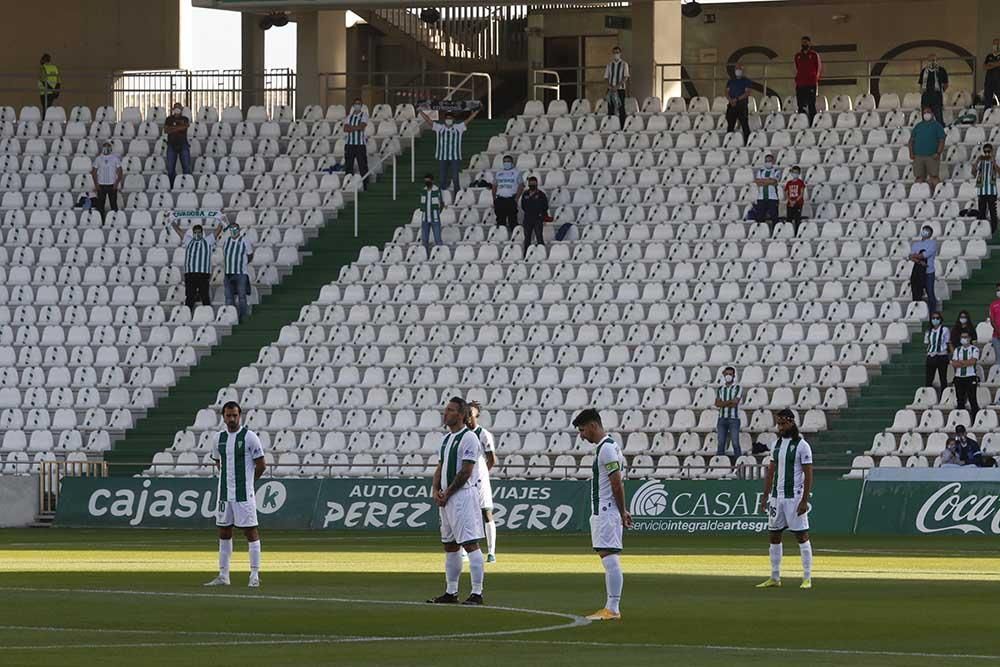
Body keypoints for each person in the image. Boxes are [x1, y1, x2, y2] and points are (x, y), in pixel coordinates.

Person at [426, 396, 485, 606]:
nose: (446, 413)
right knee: (450, 546)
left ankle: (477, 593)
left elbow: (466, 471)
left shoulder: (469, 438)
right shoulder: (445, 439)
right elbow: (440, 467)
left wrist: (448, 492)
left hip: (462, 497)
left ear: (460, 415)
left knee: (470, 544)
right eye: (446, 410)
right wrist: (435, 490)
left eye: (450, 410)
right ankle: (451, 592)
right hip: (447, 498)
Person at [573, 408, 631, 621]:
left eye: (582, 430)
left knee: (610, 559)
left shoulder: (606, 449)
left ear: (593, 426)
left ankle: (612, 608)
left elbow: (617, 483)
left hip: (606, 511)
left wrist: (622, 510)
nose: (582, 435)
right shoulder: (611, 446)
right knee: (609, 558)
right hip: (607, 510)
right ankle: (611, 606)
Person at [204, 401, 266, 588]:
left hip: (243, 494)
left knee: (250, 531)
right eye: (228, 415)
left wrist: (248, 483)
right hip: (224, 494)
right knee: (224, 531)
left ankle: (254, 574)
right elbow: (218, 462)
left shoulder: (250, 437)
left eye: (235, 415)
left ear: (240, 416)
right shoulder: (218, 438)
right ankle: (224, 575)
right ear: (223, 417)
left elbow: (261, 465)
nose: (232, 419)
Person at [757, 409, 814, 590]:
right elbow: (771, 472)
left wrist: (804, 500)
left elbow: (809, 475)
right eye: (778, 424)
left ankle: (807, 577)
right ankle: (775, 577)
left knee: (801, 536)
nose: (779, 427)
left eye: (782, 423)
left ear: (791, 423)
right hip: (776, 498)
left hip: (794, 498)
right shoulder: (776, 444)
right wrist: (765, 496)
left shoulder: (802, 445)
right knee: (774, 535)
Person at [420, 107, 479, 194]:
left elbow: (468, 120)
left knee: (455, 178)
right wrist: (420, 112)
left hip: (455, 157)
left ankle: (457, 196)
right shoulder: (440, 128)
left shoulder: (458, 128)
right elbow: (429, 121)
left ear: (453, 119)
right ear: (444, 120)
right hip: (442, 157)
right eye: (447, 118)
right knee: (442, 179)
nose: (449, 120)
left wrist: (476, 112)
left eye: (450, 118)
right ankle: (442, 198)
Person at [467, 401, 498, 563]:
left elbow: (492, 459)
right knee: (468, 515)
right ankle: (467, 550)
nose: (468, 417)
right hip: (465, 481)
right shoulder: (463, 435)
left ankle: (491, 552)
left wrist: (482, 473)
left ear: (476, 415)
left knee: (486, 513)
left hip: (480, 480)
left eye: (471, 414)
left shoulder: (483, 434)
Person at [173, 216, 224, 312]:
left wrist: (221, 220)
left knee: (205, 296)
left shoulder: (208, 240)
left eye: (199, 232)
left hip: (203, 274)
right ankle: (186, 316)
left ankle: (208, 315)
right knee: (189, 297)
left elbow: (218, 230)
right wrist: (172, 222)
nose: (197, 234)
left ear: (202, 232)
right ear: (193, 233)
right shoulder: (188, 240)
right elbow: (178, 231)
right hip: (190, 274)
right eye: (195, 232)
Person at [222, 223, 254, 323]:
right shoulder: (226, 241)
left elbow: (250, 255)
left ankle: (243, 316)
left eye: (235, 229)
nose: (233, 232)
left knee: (242, 296)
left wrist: (242, 263)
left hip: (240, 273)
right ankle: (232, 317)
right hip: (228, 274)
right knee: (228, 298)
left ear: (239, 230)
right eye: (231, 230)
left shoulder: (245, 241)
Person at [909, 107, 946, 190]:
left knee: (934, 177)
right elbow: (911, 140)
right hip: (918, 156)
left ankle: (938, 194)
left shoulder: (937, 126)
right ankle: (919, 194)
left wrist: (938, 152)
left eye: (928, 112)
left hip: (932, 156)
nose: (926, 114)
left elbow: (942, 140)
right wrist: (911, 152)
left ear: (932, 114)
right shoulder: (918, 126)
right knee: (919, 177)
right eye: (924, 112)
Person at [909, 225, 939, 316]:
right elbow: (910, 256)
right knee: (917, 292)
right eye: (924, 230)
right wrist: (920, 262)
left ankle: (933, 313)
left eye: (927, 231)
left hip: (929, 272)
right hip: (918, 272)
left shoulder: (932, 243)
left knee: (930, 293)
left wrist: (916, 256)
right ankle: (920, 313)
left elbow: (924, 255)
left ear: (930, 233)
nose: (924, 232)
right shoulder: (916, 244)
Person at [91, 141, 123, 222]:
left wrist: (116, 183)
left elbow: (120, 171)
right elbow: (94, 172)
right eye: (105, 147)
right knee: (100, 205)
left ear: (110, 149)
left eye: (108, 147)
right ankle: (101, 221)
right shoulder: (98, 159)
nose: (106, 149)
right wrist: (96, 184)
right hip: (101, 185)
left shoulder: (115, 158)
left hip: (112, 185)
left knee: (113, 205)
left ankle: (115, 221)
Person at [951, 331, 980, 418]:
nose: (964, 339)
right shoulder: (957, 350)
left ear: (969, 338)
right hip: (959, 377)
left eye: (966, 337)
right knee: (960, 400)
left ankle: (974, 419)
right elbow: (954, 364)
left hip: (970, 377)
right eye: (962, 337)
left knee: (972, 399)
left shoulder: (974, 349)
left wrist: (960, 362)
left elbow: (973, 362)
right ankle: (962, 420)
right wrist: (966, 362)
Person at [794, 36, 822, 124]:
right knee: (800, 105)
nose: (804, 44)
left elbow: (818, 68)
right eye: (802, 42)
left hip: (811, 83)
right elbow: (797, 67)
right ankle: (802, 123)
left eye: (806, 42)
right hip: (800, 84)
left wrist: (814, 79)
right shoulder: (797, 56)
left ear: (809, 43)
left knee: (811, 104)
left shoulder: (814, 55)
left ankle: (812, 123)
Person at [715, 366, 742, 457]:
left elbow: (735, 403)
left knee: (735, 443)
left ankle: (739, 465)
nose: (728, 376)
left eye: (730, 374)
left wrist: (723, 403)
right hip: (721, 419)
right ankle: (719, 466)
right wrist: (730, 401)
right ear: (724, 375)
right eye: (726, 374)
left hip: (734, 419)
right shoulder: (720, 389)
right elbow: (717, 404)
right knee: (720, 443)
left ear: (734, 375)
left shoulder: (738, 387)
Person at [343, 98, 370, 191]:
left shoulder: (364, 115)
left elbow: (362, 127)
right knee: (348, 166)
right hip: (349, 144)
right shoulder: (348, 117)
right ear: (353, 105)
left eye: (359, 104)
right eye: (355, 104)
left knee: (362, 165)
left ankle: (365, 185)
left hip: (360, 145)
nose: (357, 105)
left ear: (361, 105)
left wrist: (352, 128)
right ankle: (348, 185)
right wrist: (356, 128)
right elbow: (345, 128)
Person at [492, 154, 523, 232]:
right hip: (500, 199)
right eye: (505, 161)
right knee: (500, 220)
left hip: (511, 199)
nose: (506, 163)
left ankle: (514, 237)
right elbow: (494, 186)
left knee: (512, 220)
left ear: (512, 162)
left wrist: (516, 199)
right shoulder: (498, 173)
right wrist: (494, 199)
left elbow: (521, 186)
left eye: (508, 161)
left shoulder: (517, 173)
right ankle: (501, 236)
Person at [164, 102, 192, 188]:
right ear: (173, 109)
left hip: (183, 144)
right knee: (170, 168)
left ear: (182, 110)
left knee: (186, 166)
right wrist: (179, 128)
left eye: (179, 108)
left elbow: (186, 126)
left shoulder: (185, 119)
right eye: (175, 107)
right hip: (171, 145)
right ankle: (172, 185)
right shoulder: (169, 119)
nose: (177, 109)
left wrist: (172, 128)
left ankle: (187, 185)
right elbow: (166, 130)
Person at [924, 311, 951, 396]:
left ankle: (944, 396)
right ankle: (929, 397)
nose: (935, 320)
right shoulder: (928, 331)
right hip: (931, 356)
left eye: (937, 318)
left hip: (942, 356)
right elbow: (927, 343)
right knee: (929, 379)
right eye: (933, 318)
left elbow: (947, 342)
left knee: (943, 378)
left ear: (940, 319)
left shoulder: (945, 330)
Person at [973, 143, 998, 234]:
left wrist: (994, 163)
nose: (987, 153)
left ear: (992, 151)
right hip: (982, 190)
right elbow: (973, 173)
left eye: (988, 151)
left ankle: (994, 230)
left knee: (992, 212)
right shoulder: (981, 161)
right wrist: (976, 161)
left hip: (991, 190)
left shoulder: (995, 161)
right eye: (985, 151)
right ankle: (983, 230)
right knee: (981, 211)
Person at [520, 175, 548, 253]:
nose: (532, 185)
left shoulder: (541, 194)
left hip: (537, 219)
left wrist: (543, 216)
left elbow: (545, 206)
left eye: (533, 183)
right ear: (528, 184)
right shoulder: (525, 194)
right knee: (527, 239)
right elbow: (523, 206)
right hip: (527, 219)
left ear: (536, 184)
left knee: (539, 237)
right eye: (531, 183)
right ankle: (526, 255)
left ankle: (542, 253)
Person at [753, 154, 781, 232]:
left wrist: (763, 181)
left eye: (769, 160)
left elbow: (774, 181)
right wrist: (768, 180)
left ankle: (775, 232)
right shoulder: (761, 171)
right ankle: (761, 232)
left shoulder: (776, 171)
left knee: (774, 217)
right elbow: (757, 182)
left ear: (773, 161)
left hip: (773, 198)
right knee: (760, 217)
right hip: (761, 198)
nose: (768, 162)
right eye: (766, 161)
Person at [725, 63, 752, 144]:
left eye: (739, 69)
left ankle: (747, 141)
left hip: (741, 105)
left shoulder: (746, 80)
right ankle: (729, 141)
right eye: (736, 69)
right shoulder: (731, 81)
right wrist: (730, 100)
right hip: (732, 105)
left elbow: (747, 93)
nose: (738, 70)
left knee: (744, 124)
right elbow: (726, 92)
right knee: (730, 124)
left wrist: (736, 99)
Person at [604, 46, 630, 129]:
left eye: (617, 52)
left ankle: (622, 127)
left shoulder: (624, 64)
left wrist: (617, 86)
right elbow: (606, 77)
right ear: (612, 54)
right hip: (610, 89)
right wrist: (610, 86)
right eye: (614, 52)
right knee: (610, 108)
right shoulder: (609, 65)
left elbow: (625, 77)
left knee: (621, 108)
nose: (616, 54)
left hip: (620, 89)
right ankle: (611, 126)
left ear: (620, 53)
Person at [918, 54, 949, 126]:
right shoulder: (924, 71)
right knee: (926, 120)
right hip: (926, 100)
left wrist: (940, 91)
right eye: (930, 60)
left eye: (933, 60)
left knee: (939, 120)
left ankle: (940, 136)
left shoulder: (941, 70)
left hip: (937, 100)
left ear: (936, 61)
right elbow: (921, 84)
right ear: (927, 61)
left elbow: (946, 84)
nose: (932, 62)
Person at [419, 173, 444, 253]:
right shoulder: (423, 190)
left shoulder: (437, 190)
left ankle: (440, 254)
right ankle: (425, 255)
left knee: (438, 239)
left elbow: (441, 203)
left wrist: (437, 213)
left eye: (428, 181)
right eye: (425, 181)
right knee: (424, 240)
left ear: (432, 181)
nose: (427, 182)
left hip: (435, 218)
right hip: (425, 219)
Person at [783, 165, 806, 234]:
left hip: (798, 203)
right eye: (793, 172)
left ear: (799, 173)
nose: (795, 174)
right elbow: (786, 193)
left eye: (796, 172)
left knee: (797, 219)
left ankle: (797, 233)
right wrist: (790, 201)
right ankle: (789, 232)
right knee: (789, 219)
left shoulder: (800, 182)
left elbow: (801, 194)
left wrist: (795, 201)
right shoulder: (789, 183)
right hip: (790, 204)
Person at [985, 38, 1000, 109]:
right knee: (987, 101)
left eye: (997, 44)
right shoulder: (989, 56)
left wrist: (991, 64)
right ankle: (986, 116)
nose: (996, 46)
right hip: (989, 82)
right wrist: (996, 64)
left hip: (998, 82)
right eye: (994, 44)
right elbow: (984, 66)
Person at [989, 282, 1000, 368]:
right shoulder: (993, 304)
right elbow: (992, 320)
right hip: (996, 336)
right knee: (998, 360)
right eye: (998, 290)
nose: (999, 292)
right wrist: (998, 331)